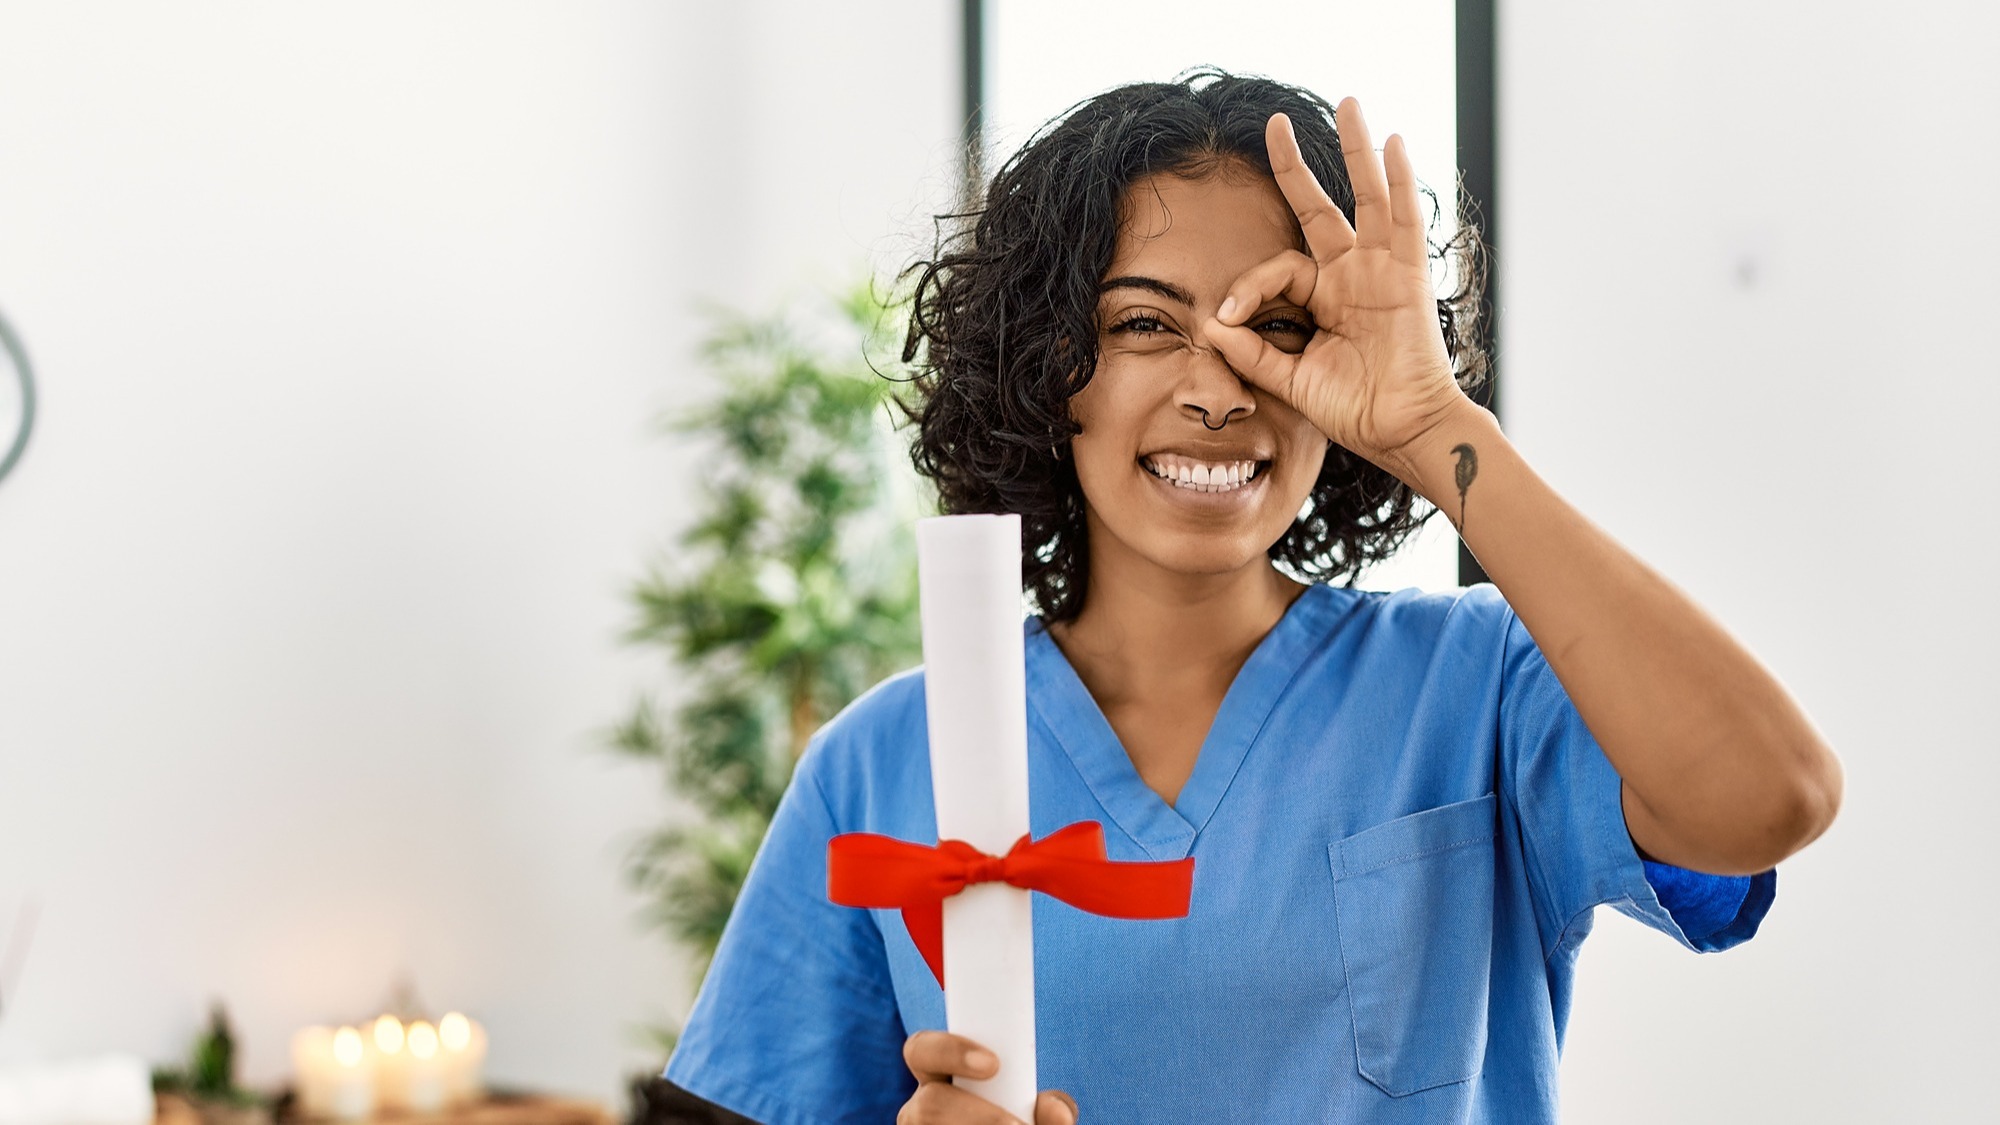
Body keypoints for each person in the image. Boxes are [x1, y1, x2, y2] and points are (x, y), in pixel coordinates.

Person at [658, 67, 1842, 1124]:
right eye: (1141, 325)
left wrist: (1435, 427)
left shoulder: (1481, 688)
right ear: (1044, 367)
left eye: (1275, 327)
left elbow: (1769, 797)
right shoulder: (878, 766)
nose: (1216, 392)